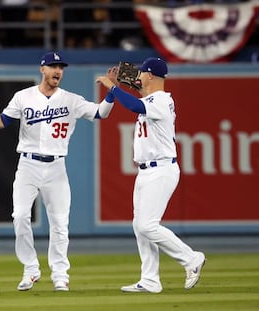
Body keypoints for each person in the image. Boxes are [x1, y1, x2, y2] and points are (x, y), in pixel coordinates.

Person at [0, 51, 114, 291]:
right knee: (20, 216)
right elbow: (4, 121)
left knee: (60, 224)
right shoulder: (23, 96)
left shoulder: (71, 99)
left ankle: (60, 274)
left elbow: (100, 113)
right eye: (53, 66)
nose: (58, 71)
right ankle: (30, 270)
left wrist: (112, 91)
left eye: (61, 67)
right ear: (42, 69)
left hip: (56, 167)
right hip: (28, 165)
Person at [96, 57, 205, 293]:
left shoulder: (162, 101)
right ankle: (150, 280)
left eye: (141, 72)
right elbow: (140, 96)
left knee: (147, 225)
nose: (136, 75)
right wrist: (120, 86)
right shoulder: (152, 98)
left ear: (150, 75)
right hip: (146, 170)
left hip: (162, 169)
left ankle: (191, 258)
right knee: (139, 225)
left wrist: (112, 86)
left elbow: (136, 106)